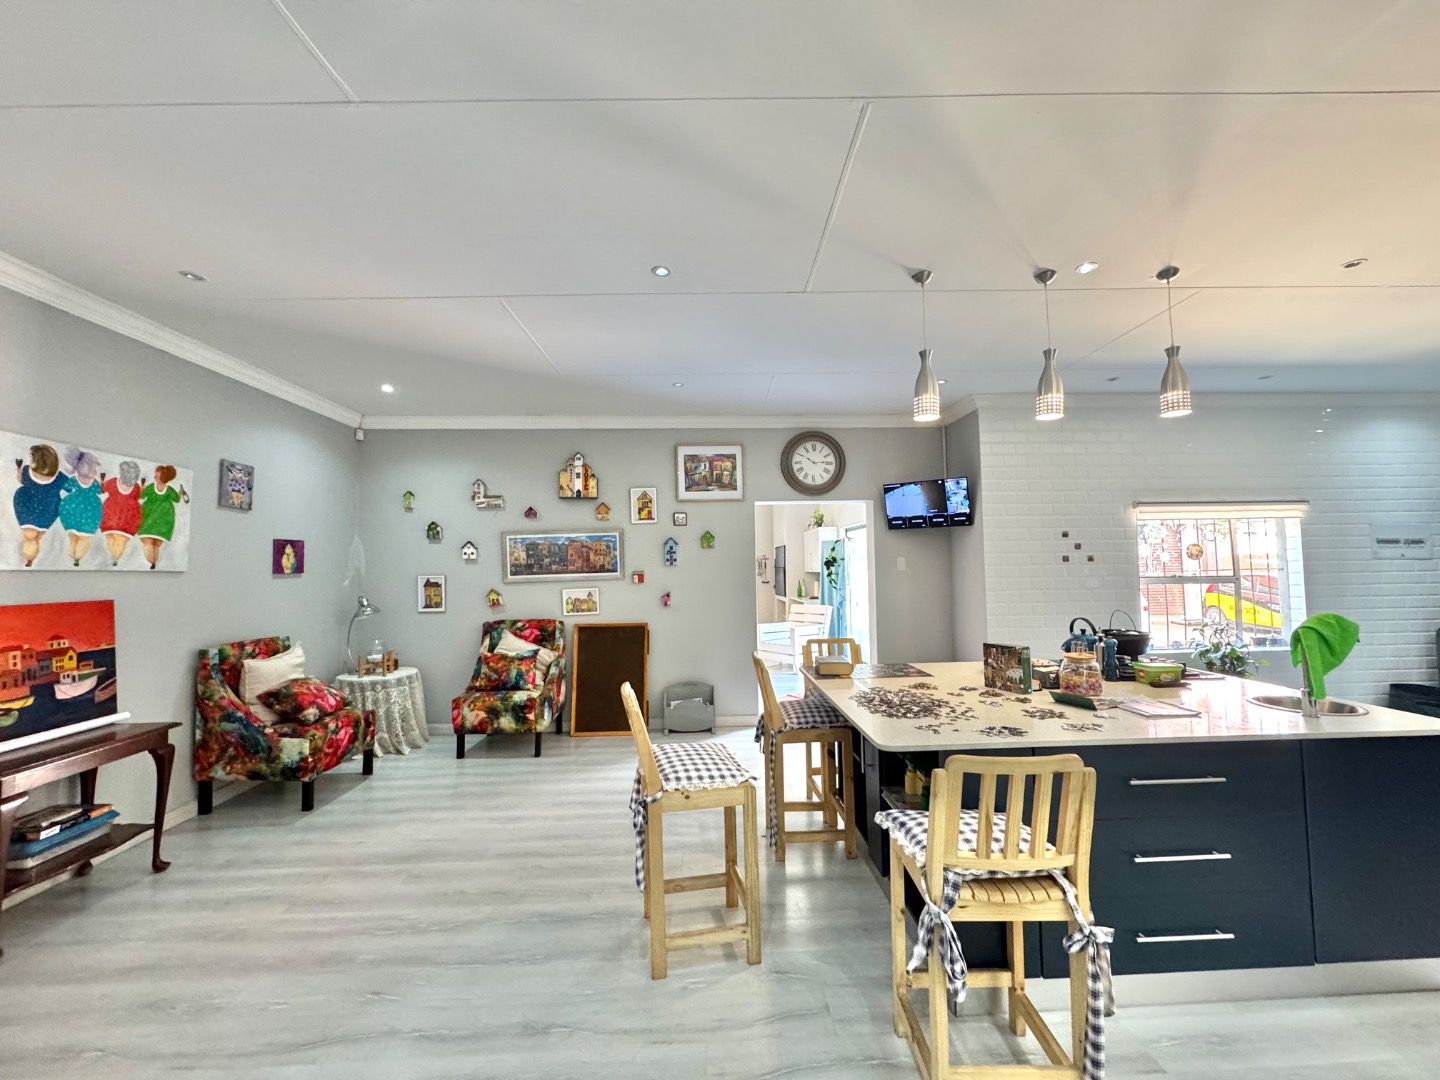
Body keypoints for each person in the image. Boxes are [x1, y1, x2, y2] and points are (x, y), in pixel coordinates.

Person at [12, 443, 62, 567]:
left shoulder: (26, 471)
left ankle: (29, 558)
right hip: (47, 510)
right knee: (36, 537)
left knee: (29, 537)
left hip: (27, 508)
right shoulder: (60, 478)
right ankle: (30, 559)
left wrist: (18, 470)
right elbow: (71, 488)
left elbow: (20, 479)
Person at [136, 464, 188, 569]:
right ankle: (153, 562)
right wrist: (180, 492)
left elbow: (141, 495)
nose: (154, 477)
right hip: (163, 522)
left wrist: (142, 487)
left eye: (156, 476)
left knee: (147, 541)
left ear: (162, 478)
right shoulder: (169, 490)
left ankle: (152, 561)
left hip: (149, 519)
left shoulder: (151, 487)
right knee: (156, 544)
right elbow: (177, 499)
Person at [58, 447, 104, 566]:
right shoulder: (94, 483)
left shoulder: (74, 480)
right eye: (93, 469)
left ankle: (75, 558)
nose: (96, 472)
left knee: (76, 537)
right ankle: (76, 558)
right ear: (84, 468)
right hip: (88, 513)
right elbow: (99, 492)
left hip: (76, 511)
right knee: (81, 537)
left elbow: (65, 491)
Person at [100, 460, 143, 565]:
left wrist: (102, 481)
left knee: (111, 538)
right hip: (127, 518)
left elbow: (103, 489)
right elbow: (137, 496)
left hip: (112, 516)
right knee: (121, 540)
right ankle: (115, 558)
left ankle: (114, 557)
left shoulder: (113, 482)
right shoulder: (136, 487)